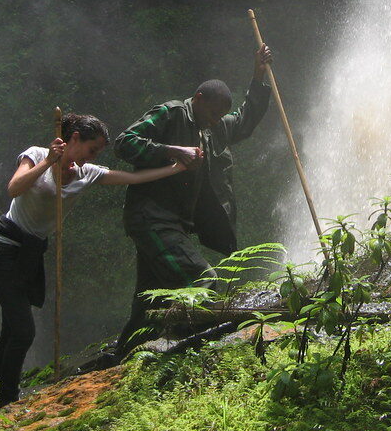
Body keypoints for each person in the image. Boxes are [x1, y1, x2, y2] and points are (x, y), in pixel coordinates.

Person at [0, 113, 197, 408]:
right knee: (24, 331)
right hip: (4, 249)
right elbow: (14, 188)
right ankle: (7, 401)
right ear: (74, 138)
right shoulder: (37, 155)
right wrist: (49, 161)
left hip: (29, 256)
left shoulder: (87, 172)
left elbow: (133, 177)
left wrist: (176, 168)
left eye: (98, 152)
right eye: (93, 149)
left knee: (12, 332)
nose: (94, 156)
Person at [114, 44, 272, 357]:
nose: (216, 120)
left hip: (175, 224)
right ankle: (190, 353)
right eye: (213, 113)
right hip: (151, 218)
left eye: (221, 116)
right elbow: (125, 142)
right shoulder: (171, 114)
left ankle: (121, 358)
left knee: (149, 300)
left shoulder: (215, 129)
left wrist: (259, 75)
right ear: (199, 100)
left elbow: (246, 120)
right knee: (202, 279)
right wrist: (173, 151)